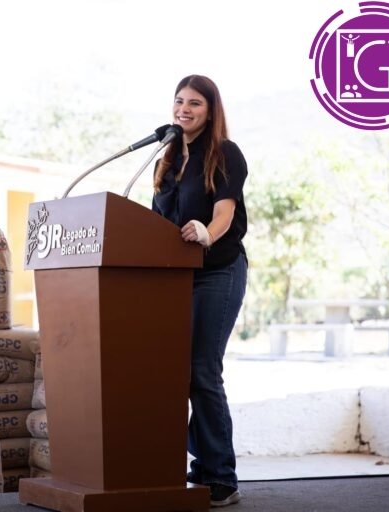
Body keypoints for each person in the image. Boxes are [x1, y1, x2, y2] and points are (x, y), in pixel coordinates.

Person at [152, 74, 248, 508]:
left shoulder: (225, 154)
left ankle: (222, 476)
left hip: (217, 271)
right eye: (179, 101)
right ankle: (203, 465)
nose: (183, 109)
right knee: (180, 372)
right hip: (177, 276)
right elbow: (156, 223)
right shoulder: (167, 158)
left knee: (203, 370)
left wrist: (207, 234)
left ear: (210, 111)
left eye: (194, 103)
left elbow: (224, 214)